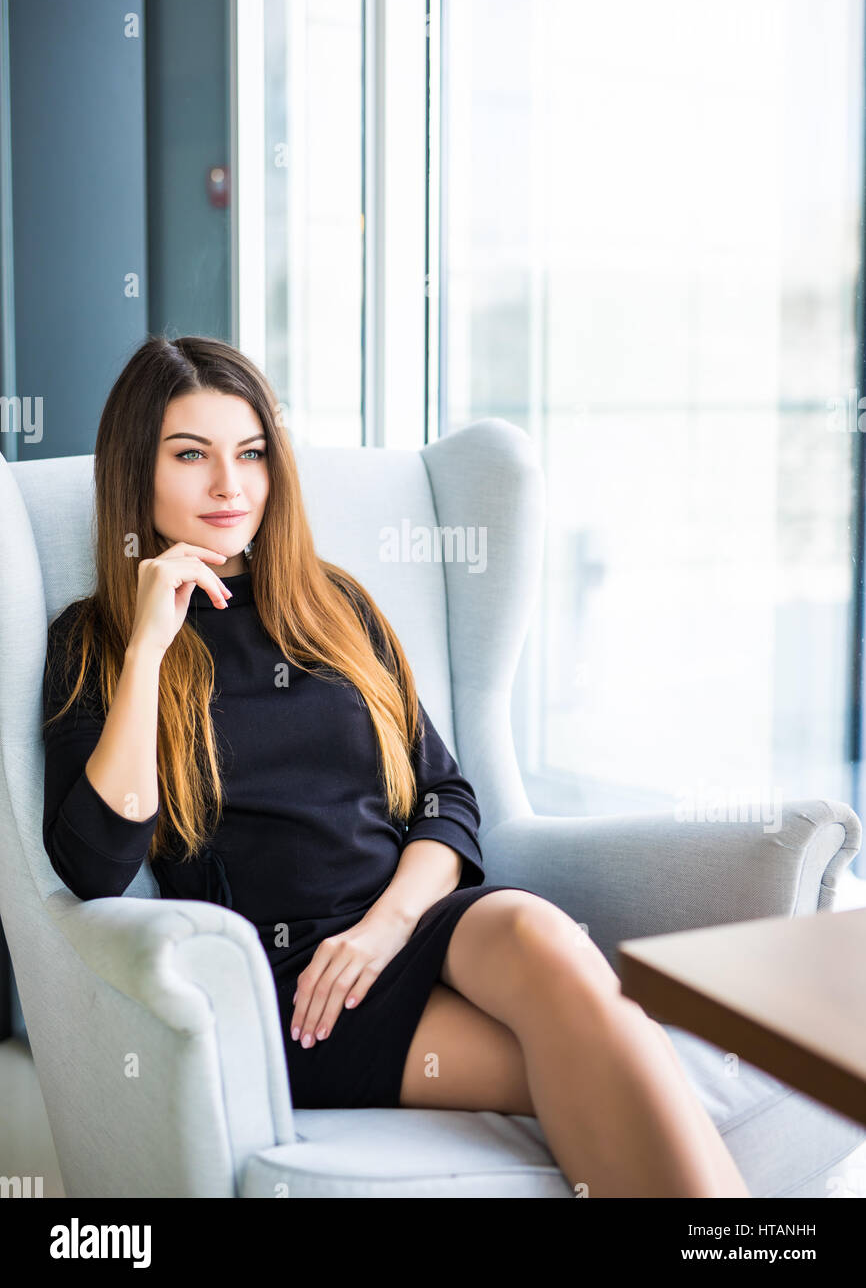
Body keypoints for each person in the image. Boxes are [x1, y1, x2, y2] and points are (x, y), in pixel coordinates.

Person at [41, 334, 750, 1198]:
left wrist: (388, 924)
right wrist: (152, 644)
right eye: (192, 455)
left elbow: (445, 796)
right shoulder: (97, 643)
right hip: (300, 988)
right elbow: (97, 867)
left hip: (412, 924)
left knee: (539, 935)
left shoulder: (331, 604)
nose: (231, 485)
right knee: (614, 1062)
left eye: (252, 453)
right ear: (136, 471)